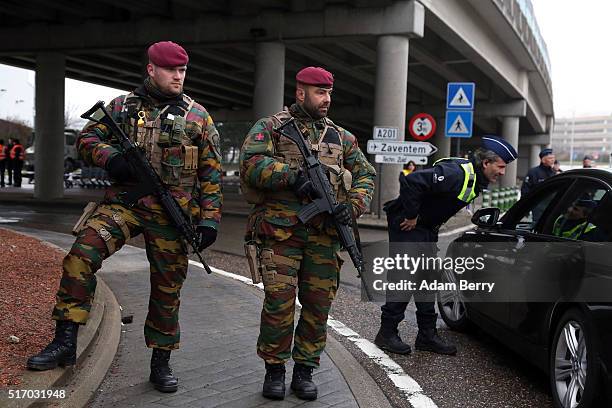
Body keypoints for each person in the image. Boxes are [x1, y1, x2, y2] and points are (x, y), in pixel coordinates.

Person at [26, 41, 223, 393]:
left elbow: (211, 175)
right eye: (170, 70)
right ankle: (65, 341)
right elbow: (85, 140)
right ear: (151, 69)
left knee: (167, 289)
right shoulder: (121, 108)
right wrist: (111, 158)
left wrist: (209, 220)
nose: (178, 76)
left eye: (182, 70)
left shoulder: (198, 117)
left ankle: (160, 362)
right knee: (81, 256)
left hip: (172, 212)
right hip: (126, 205)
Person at [240, 66, 375, 401]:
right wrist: (290, 176)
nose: (326, 99)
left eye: (329, 92)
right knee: (279, 304)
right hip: (281, 233)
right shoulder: (271, 127)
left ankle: (304, 370)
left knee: (318, 306)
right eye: (319, 92)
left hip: (324, 238)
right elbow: (251, 163)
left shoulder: (341, 137)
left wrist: (353, 205)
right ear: (300, 93)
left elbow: (365, 174)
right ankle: (274, 370)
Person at [374, 135, 517, 356]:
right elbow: (411, 181)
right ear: (486, 163)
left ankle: (426, 335)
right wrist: (412, 215)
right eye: (500, 166)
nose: (502, 172)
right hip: (408, 225)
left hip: (426, 227)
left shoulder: (476, 178)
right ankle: (387, 333)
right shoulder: (456, 173)